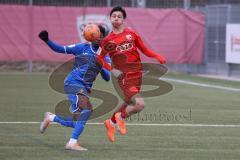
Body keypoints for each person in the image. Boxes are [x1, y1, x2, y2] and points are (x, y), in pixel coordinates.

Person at [97, 6, 166, 142]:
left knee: (128, 101)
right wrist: (112, 69)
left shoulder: (131, 34)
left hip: (137, 74)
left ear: (123, 20)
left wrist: (157, 56)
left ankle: (110, 123)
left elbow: (144, 50)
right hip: (124, 76)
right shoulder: (107, 40)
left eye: (119, 16)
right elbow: (98, 58)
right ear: (110, 19)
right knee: (139, 104)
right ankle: (120, 118)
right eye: (114, 16)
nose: (116, 18)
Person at [38, 25, 110, 151]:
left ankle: (51, 117)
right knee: (87, 110)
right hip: (73, 83)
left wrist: (101, 65)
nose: (99, 38)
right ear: (91, 37)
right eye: (97, 35)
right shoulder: (82, 47)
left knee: (76, 122)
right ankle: (72, 143)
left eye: (102, 36)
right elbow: (60, 49)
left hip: (84, 88)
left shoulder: (105, 56)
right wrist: (47, 40)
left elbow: (107, 77)